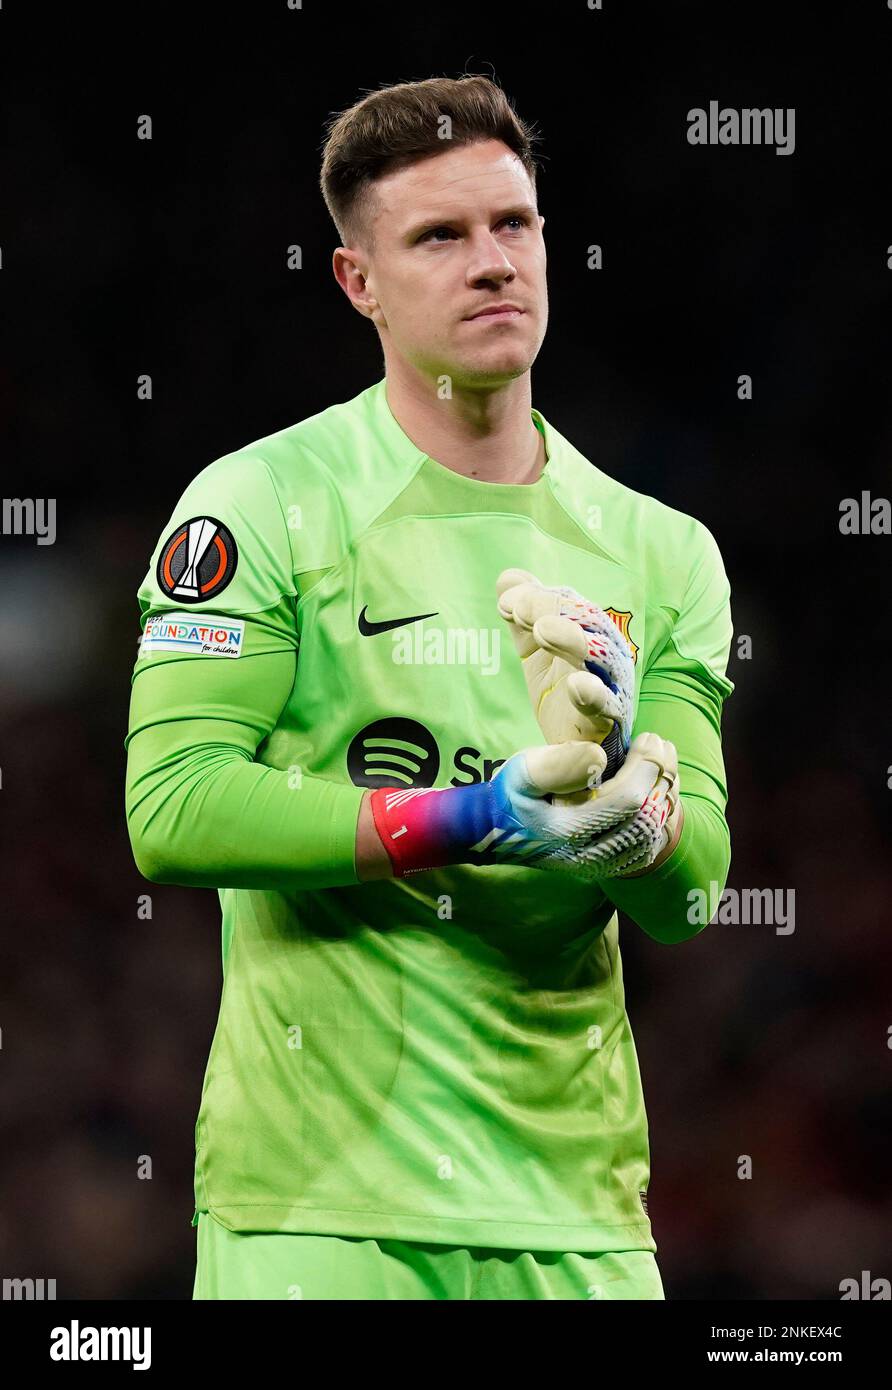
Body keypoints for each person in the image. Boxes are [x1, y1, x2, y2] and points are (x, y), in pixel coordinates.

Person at [124, 74, 734, 1301]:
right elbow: (172, 810)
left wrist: (631, 818)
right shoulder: (258, 502)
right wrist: (474, 818)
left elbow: (691, 895)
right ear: (361, 282)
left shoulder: (664, 551)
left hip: (578, 1221)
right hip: (320, 1213)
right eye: (440, 237)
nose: (492, 262)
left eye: (513, 225)